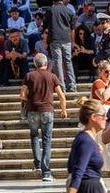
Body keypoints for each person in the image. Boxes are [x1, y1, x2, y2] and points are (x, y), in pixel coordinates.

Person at [22, 52, 67, 182]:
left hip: (32, 111)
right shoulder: (52, 76)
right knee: (47, 140)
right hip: (48, 110)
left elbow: (22, 94)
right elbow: (61, 95)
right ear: (46, 64)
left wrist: (29, 100)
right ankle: (46, 172)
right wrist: (63, 110)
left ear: (35, 64)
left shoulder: (29, 76)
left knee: (34, 136)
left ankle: (37, 164)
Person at [66, 97, 108, 193]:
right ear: (93, 117)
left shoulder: (86, 139)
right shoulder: (86, 141)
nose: (106, 118)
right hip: (89, 188)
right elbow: (78, 171)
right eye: (103, 115)